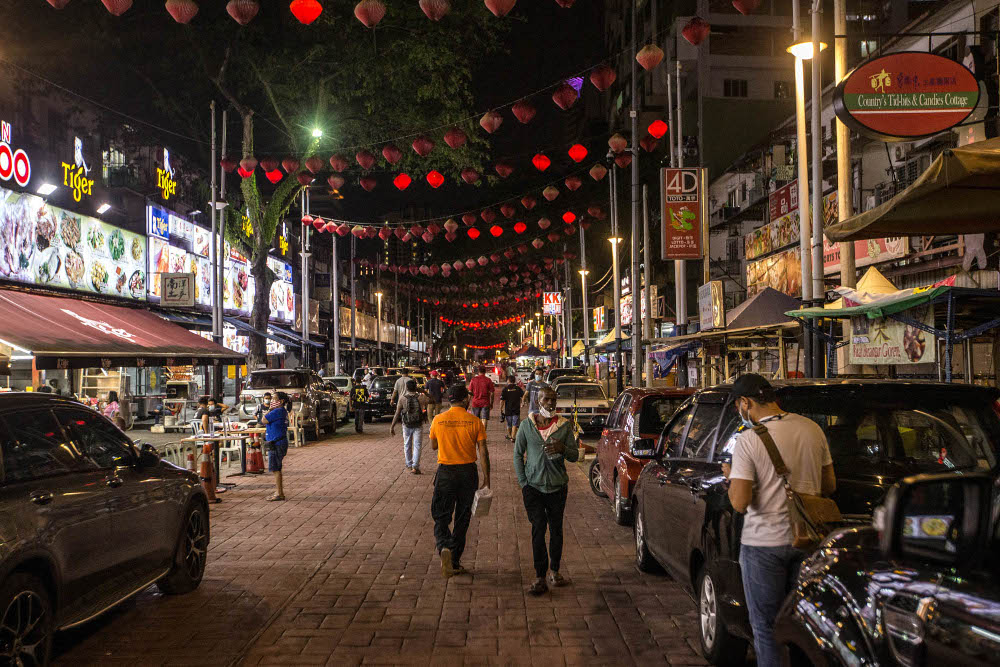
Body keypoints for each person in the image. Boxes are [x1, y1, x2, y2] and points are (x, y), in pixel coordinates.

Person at [722, 374, 836, 667]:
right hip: (808, 539)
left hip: (763, 544)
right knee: (803, 626)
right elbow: (829, 485)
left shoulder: (748, 440)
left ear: (746, 403)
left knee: (766, 627)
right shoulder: (813, 429)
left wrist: (730, 477)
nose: (740, 412)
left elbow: (739, 502)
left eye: (738, 406)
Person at [514, 386, 578, 595]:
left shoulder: (564, 426)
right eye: (547, 399)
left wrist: (563, 449)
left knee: (556, 529)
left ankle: (555, 570)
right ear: (538, 401)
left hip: (558, 486)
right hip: (533, 487)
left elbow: (574, 456)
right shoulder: (526, 425)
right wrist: (523, 482)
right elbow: (518, 454)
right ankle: (540, 575)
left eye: (553, 399)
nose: (551, 403)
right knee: (538, 528)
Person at [429, 384, 491, 578]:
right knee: (463, 517)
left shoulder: (438, 420)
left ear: (449, 399)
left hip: (446, 472)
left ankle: (443, 545)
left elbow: (433, 445)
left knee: (441, 514)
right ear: (465, 400)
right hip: (468, 473)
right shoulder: (474, 421)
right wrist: (487, 477)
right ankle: (454, 561)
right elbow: (483, 451)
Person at [391, 379, 429, 474]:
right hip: (418, 424)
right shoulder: (421, 397)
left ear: (407, 388)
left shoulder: (402, 398)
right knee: (417, 445)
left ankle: (408, 463)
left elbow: (397, 413)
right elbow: (432, 399)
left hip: (406, 424)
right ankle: (415, 466)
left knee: (407, 444)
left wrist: (392, 426)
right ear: (416, 387)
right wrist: (424, 391)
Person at [261, 392, 290, 501]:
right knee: (276, 468)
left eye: (274, 399)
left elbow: (263, 420)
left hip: (277, 443)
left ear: (281, 401)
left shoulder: (278, 411)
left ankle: (279, 493)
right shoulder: (281, 411)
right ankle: (279, 491)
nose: (271, 401)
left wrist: (269, 409)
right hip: (278, 442)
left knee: (276, 468)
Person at [500, 376, 525, 441]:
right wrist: (522, 402)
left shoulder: (505, 389)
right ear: (514, 381)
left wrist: (501, 408)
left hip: (508, 409)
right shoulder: (518, 388)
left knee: (509, 424)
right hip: (516, 409)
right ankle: (512, 437)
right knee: (515, 423)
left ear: (508, 381)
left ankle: (511, 436)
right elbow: (523, 396)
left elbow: (502, 400)